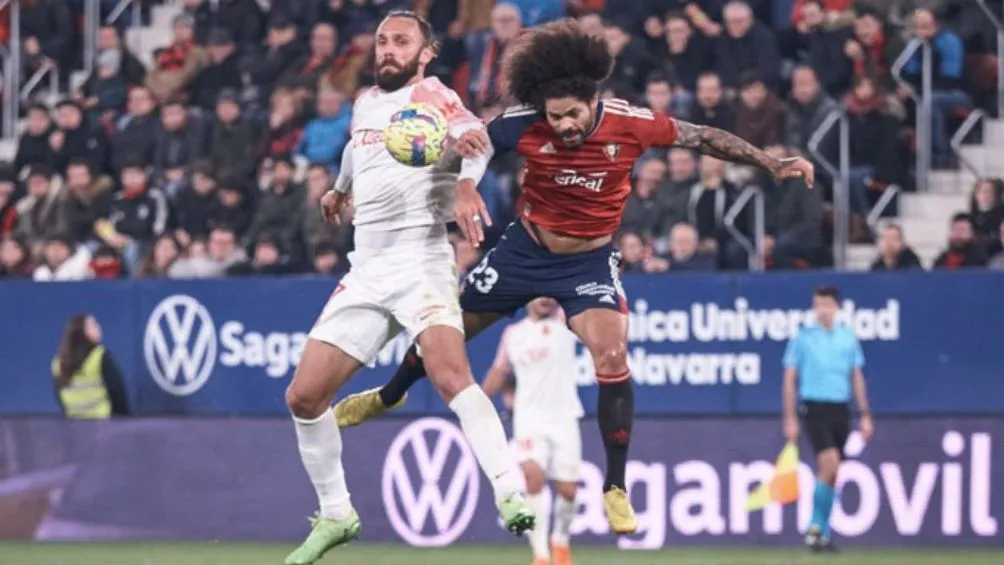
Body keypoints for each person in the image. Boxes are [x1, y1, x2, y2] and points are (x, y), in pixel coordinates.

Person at [334, 18, 814, 536]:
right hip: (525, 249)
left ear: (594, 101)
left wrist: (769, 161)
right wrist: (464, 184)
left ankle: (614, 486)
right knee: (445, 332)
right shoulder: (524, 122)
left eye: (570, 115)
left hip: (588, 261)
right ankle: (390, 394)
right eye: (553, 115)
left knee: (612, 354)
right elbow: (469, 144)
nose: (561, 125)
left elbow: (701, 138)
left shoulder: (631, 122)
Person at [282, 11, 533, 565]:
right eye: (381, 41)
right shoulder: (367, 101)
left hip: (421, 257)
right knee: (304, 397)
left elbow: (477, 139)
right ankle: (336, 514)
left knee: (449, 375)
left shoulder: (436, 95)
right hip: (367, 266)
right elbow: (357, 145)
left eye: (401, 41)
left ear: (425, 53)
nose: (387, 49)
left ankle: (508, 487)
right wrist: (340, 188)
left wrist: (467, 187)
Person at [482, 298, 583, 565]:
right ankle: (540, 555)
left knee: (569, 490)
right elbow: (499, 370)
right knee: (532, 477)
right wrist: (476, 404)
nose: (545, 300)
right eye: (539, 295)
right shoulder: (514, 334)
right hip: (528, 419)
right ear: (528, 299)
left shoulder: (566, 322)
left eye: (550, 295)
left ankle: (560, 540)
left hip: (564, 416)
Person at [782, 286, 874, 552]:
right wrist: (790, 417)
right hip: (814, 407)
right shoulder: (803, 338)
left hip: (840, 408)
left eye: (826, 304)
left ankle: (821, 533)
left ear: (837, 307)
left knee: (832, 473)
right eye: (817, 304)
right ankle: (813, 525)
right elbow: (789, 378)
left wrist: (865, 413)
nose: (821, 310)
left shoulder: (848, 338)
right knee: (829, 462)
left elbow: (856, 376)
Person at [52, 314, 129, 418]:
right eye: (93, 325)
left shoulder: (57, 363)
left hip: (74, 427)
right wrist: (124, 422)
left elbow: (60, 396)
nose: (99, 328)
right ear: (82, 333)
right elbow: (117, 393)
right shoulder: (100, 356)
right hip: (104, 426)